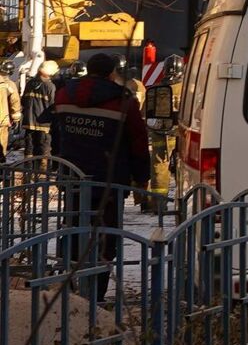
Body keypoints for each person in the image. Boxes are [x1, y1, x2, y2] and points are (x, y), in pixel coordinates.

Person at [47, 51, 151, 297]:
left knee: (72, 228)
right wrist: (141, 177)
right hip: (110, 181)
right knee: (105, 235)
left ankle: (69, 290)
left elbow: (56, 135)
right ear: (112, 72)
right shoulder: (123, 101)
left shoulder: (63, 95)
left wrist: (59, 165)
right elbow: (138, 141)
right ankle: (95, 295)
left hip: (72, 177)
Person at [146, 53, 184, 209]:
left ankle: (158, 203)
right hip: (182, 134)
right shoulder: (189, 87)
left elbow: (147, 113)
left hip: (160, 133)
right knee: (183, 168)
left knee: (159, 166)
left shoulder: (156, 89)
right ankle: (182, 202)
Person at [22, 59, 58, 158]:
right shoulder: (50, 86)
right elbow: (53, 105)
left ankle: (27, 169)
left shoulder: (29, 83)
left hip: (28, 122)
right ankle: (42, 171)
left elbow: (23, 101)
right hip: (43, 123)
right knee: (43, 148)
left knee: (29, 147)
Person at [0, 62, 20, 155]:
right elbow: (14, 101)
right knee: (1, 142)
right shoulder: (9, 84)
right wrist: (16, 118)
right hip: (2, 119)